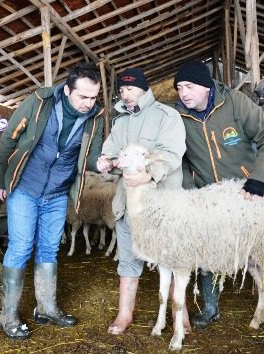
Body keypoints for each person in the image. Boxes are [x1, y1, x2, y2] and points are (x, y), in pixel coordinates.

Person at [172, 60, 264, 332]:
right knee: (208, 250)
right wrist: (190, 192)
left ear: (206, 86)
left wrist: (258, 179)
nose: (183, 93)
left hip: (246, 193)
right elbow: (179, 157)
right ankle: (211, 308)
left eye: (189, 86)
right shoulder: (178, 116)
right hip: (208, 196)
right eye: (179, 88)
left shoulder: (235, 103)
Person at [0, 62, 104, 339]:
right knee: (20, 247)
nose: (89, 103)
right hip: (25, 188)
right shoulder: (39, 102)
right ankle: (8, 316)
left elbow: (91, 155)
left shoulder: (95, 116)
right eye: (83, 97)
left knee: (49, 249)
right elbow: (10, 138)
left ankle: (46, 308)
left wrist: (103, 163)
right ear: (67, 90)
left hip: (57, 193)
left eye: (93, 97)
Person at [96, 68, 186, 335]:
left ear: (144, 89)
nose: (126, 95)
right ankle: (125, 314)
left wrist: (149, 174)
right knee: (128, 258)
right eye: (122, 90)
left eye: (131, 89)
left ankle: (179, 314)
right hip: (129, 205)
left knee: (172, 258)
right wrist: (106, 161)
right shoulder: (121, 121)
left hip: (161, 205)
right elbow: (111, 150)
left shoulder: (166, 116)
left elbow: (172, 153)